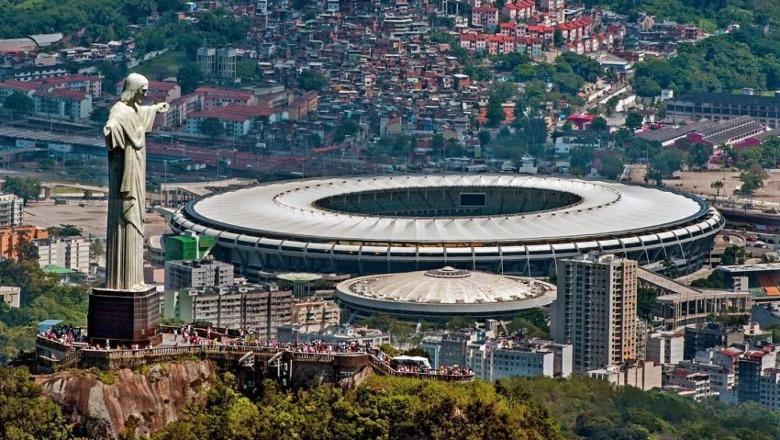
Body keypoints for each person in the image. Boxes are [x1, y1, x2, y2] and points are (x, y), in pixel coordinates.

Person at [103, 73, 170, 291]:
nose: (145, 94)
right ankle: (122, 282)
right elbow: (114, 122)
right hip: (126, 174)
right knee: (125, 223)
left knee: (136, 223)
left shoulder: (132, 109)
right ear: (133, 89)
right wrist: (111, 129)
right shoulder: (119, 110)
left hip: (137, 170)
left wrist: (155, 108)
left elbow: (139, 114)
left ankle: (134, 280)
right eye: (143, 90)